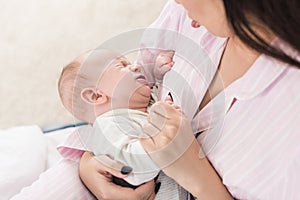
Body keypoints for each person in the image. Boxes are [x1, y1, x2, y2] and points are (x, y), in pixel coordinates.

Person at [79, 0, 300, 199]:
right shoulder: (185, 13)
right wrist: (87, 165)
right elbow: (110, 104)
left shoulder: (288, 121)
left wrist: (200, 179)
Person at [11, 49, 188, 199]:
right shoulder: (109, 127)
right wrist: (164, 129)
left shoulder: (135, 110)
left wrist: (158, 75)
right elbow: (136, 169)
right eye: (122, 66)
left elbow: (155, 101)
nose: (136, 66)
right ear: (96, 96)